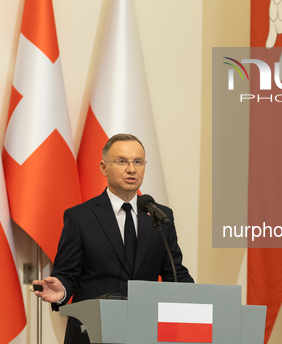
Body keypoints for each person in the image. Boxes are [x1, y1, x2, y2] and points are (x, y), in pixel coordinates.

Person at [34, 133, 193, 344]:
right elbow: (67, 273)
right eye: (122, 161)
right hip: (92, 332)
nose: (131, 169)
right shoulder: (80, 217)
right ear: (103, 167)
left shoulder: (159, 216)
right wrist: (61, 289)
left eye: (138, 162)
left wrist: (205, 301)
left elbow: (175, 274)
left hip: (143, 331)